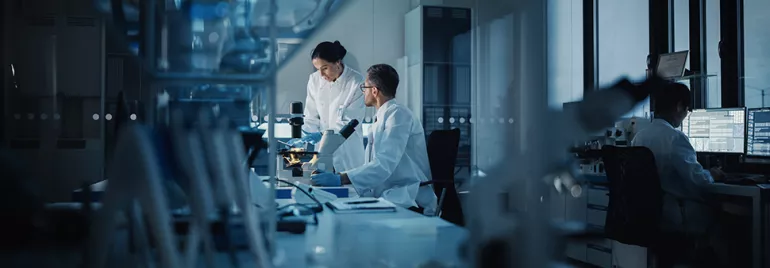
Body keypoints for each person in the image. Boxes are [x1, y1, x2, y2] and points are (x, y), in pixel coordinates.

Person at [630, 82, 738, 266]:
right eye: (687, 110)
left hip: (649, 214)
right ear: (679, 106)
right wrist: (712, 174)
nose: (685, 115)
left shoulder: (639, 137)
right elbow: (699, 182)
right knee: (727, 219)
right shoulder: (675, 137)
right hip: (676, 214)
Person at [310, 64, 438, 215]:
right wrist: (341, 178)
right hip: (389, 194)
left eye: (364, 88)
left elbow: (384, 164)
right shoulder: (381, 119)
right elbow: (374, 167)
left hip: (407, 197)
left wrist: (340, 178)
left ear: (375, 90)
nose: (363, 92)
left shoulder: (398, 115)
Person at [291, 41, 366, 173]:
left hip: (347, 155)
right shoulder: (314, 80)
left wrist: (321, 135)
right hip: (322, 153)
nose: (321, 75)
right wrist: (303, 137)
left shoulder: (356, 82)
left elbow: (349, 123)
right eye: (318, 69)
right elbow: (311, 116)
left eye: (324, 68)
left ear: (338, 62)